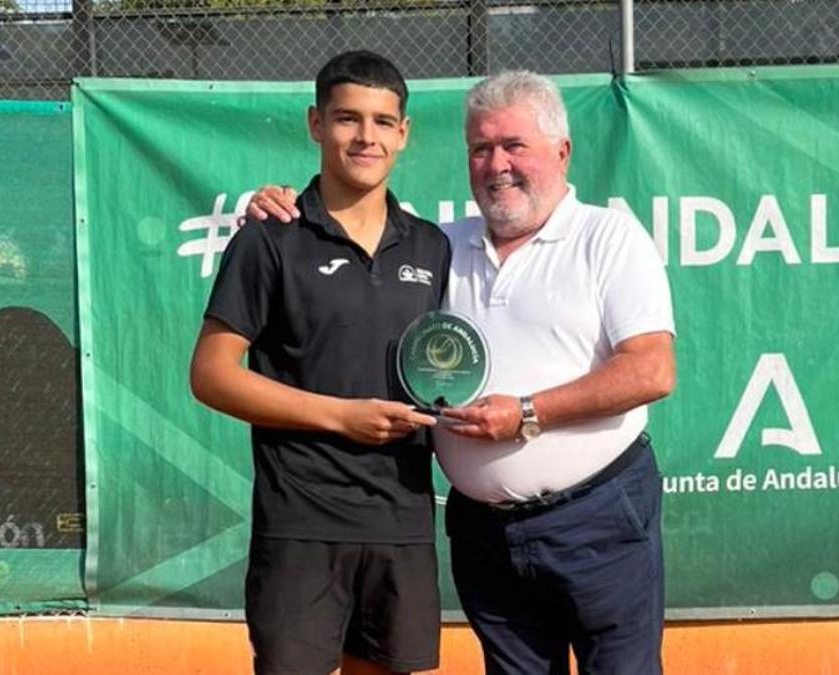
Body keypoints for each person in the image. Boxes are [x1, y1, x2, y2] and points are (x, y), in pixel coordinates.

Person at [247, 70, 676, 675]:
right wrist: (275, 206)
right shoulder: (439, 248)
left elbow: (651, 370)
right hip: (483, 537)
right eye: (481, 148)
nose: (497, 164)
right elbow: (348, 239)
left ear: (562, 151)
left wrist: (527, 413)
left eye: (514, 146)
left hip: (598, 521)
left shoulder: (608, 237)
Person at [189, 50, 450, 675]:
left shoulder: (434, 246)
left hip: (402, 521)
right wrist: (340, 417)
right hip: (300, 523)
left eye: (384, 122)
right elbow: (211, 374)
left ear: (404, 134)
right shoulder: (269, 237)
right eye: (347, 119)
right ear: (315, 124)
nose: (366, 137)